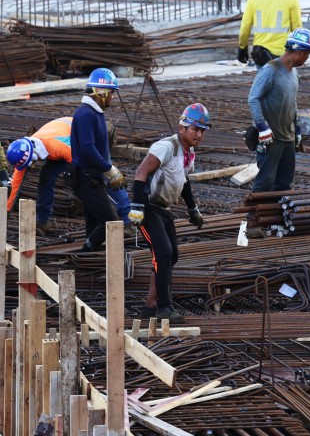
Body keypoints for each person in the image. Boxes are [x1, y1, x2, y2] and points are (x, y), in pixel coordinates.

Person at [130, 104, 209, 324]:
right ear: (182, 127)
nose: (199, 134)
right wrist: (136, 207)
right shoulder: (166, 146)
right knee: (163, 254)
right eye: (195, 129)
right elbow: (141, 173)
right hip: (149, 208)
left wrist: (193, 210)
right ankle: (163, 308)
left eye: (203, 131)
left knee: (171, 255)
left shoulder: (188, 154)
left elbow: (184, 182)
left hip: (164, 209)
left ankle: (150, 304)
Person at [6, 117, 130, 236]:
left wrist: (109, 172)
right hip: (63, 140)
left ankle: (127, 220)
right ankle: (42, 221)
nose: (32, 165)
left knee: (103, 177)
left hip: (86, 139)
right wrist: (6, 213)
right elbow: (15, 186)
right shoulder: (25, 152)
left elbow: (85, 160)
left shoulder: (58, 147)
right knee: (45, 179)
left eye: (32, 162)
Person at [247, 28, 310, 193]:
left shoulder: (293, 74)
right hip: (271, 138)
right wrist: (262, 127)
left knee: (283, 184)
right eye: (307, 54)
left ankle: (276, 218)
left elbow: (292, 102)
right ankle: (253, 218)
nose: (307, 58)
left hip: (287, 138)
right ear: (300, 52)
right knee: (265, 183)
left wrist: (296, 129)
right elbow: (253, 98)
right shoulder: (270, 71)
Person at [70, 68, 125, 252]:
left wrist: (107, 171)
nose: (112, 97)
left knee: (93, 224)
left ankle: (86, 264)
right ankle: (84, 254)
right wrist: (109, 168)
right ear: (100, 92)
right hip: (87, 178)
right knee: (112, 224)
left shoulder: (96, 113)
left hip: (94, 177)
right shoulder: (85, 114)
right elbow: (87, 148)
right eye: (111, 93)